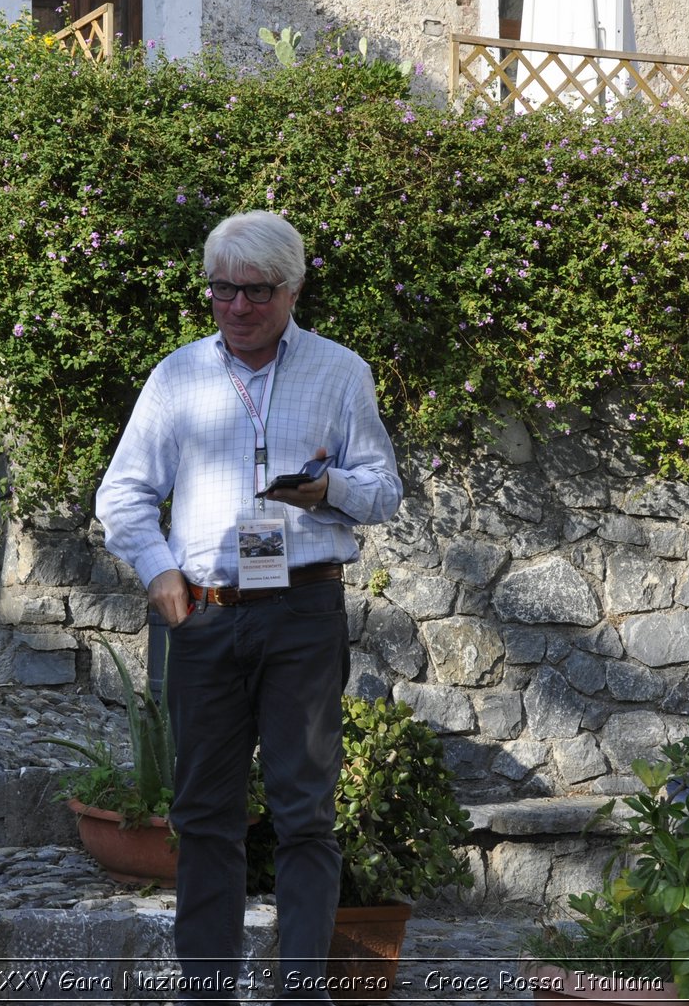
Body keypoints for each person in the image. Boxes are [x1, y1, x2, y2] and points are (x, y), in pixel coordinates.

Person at [95, 209, 404, 1001]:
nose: (236, 306)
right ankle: (207, 991)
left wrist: (328, 487)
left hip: (301, 610)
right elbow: (123, 493)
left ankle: (301, 991)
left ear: (293, 288)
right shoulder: (178, 376)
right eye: (221, 290)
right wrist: (159, 572)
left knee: (305, 811)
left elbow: (384, 492)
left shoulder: (340, 372)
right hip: (201, 614)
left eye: (256, 291)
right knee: (203, 814)